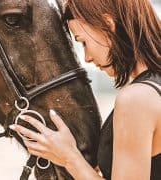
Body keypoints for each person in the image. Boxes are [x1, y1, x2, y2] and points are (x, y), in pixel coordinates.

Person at [9, 0, 161, 179]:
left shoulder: (136, 99)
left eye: (83, 42)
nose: (87, 58)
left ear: (108, 25)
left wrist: (69, 157)